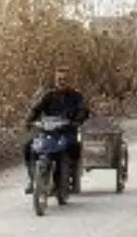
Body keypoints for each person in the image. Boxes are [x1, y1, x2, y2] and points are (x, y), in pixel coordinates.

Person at [24, 66, 89, 195]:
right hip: (48, 133)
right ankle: (32, 179)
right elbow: (36, 109)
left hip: (67, 132)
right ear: (55, 80)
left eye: (64, 79)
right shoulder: (48, 96)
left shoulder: (76, 96)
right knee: (28, 147)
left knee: (73, 147)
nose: (61, 82)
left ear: (69, 81)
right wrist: (29, 120)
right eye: (59, 79)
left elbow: (83, 110)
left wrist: (77, 121)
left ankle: (69, 179)